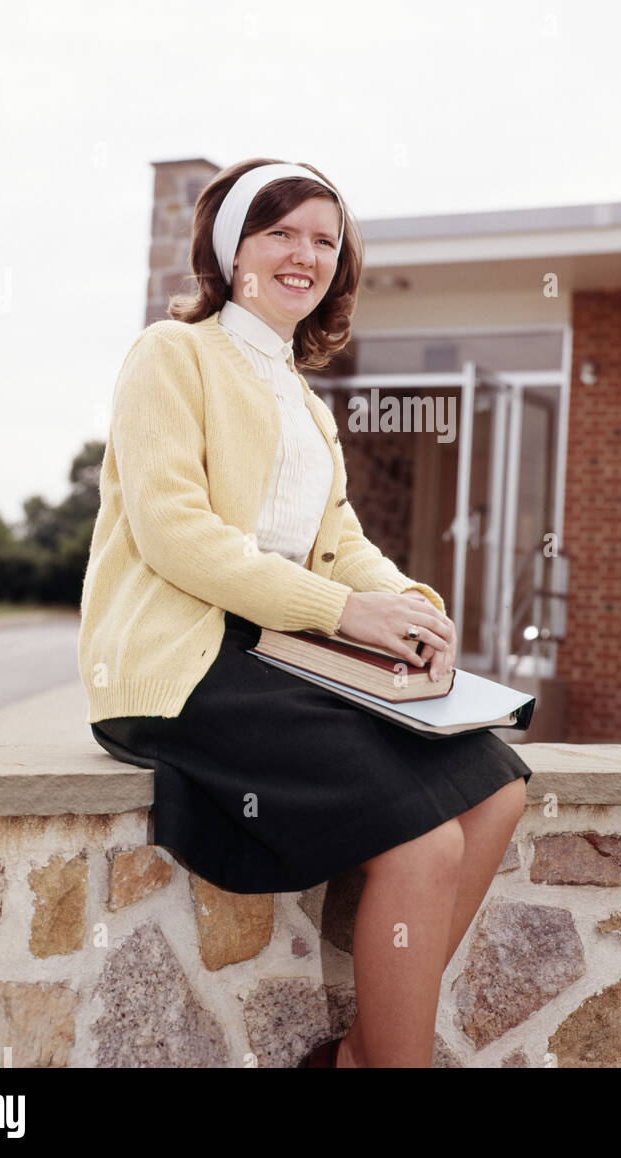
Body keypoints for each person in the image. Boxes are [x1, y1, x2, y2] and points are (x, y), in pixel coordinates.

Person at [78, 157, 532, 1068]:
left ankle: (362, 1051)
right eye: (279, 232)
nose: (304, 254)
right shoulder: (172, 355)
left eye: (324, 239)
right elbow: (177, 534)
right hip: (188, 662)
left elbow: (337, 537)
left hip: (283, 656)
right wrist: (340, 610)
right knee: (421, 842)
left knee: (497, 786)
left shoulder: (301, 397)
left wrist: (405, 603)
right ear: (227, 248)